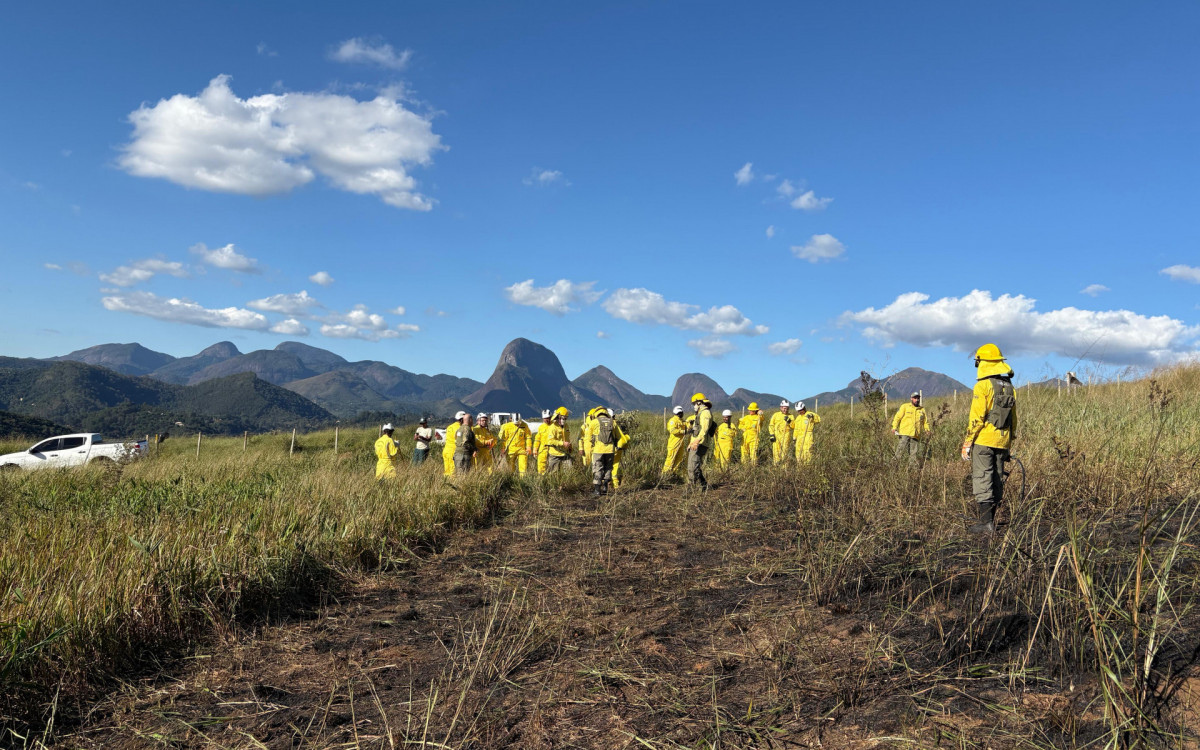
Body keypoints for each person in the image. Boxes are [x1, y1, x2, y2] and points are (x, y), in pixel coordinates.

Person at [962, 343, 1017, 534]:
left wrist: (968, 442)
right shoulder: (1009, 387)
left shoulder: (982, 385)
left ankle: (986, 524)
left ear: (982, 362)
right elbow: (1013, 419)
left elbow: (976, 418)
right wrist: (1009, 443)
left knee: (982, 477)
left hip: (984, 441)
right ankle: (991, 521)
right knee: (997, 478)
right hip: (1003, 441)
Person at [588, 406, 629, 496]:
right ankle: (605, 487)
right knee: (608, 468)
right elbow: (620, 437)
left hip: (598, 450)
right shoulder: (613, 422)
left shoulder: (593, 422)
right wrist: (618, 447)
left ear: (597, 413)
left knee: (598, 468)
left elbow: (588, 439)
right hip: (610, 450)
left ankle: (597, 490)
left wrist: (589, 451)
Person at [892, 392, 930, 467]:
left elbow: (925, 422)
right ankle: (893, 466)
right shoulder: (905, 406)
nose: (917, 400)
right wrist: (894, 427)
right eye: (915, 398)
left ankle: (911, 470)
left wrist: (927, 430)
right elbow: (897, 417)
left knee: (913, 453)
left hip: (915, 435)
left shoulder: (922, 410)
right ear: (911, 398)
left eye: (918, 398)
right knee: (900, 451)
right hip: (905, 433)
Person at [687, 393, 714, 488]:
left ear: (699, 402)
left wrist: (697, 441)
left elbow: (704, 429)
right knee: (695, 465)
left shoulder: (705, 413)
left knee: (692, 466)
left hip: (700, 444)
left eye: (694, 403)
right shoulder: (700, 413)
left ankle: (691, 488)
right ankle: (703, 484)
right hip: (696, 443)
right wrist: (691, 443)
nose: (693, 406)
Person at [544, 407, 573, 472]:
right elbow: (550, 441)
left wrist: (570, 447)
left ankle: (567, 482)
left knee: (569, 471)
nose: (564, 420)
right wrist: (562, 443)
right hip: (554, 454)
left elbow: (567, 438)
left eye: (566, 418)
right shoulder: (553, 427)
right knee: (552, 474)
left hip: (565, 453)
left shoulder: (566, 426)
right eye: (563, 418)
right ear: (558, 417)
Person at [662, 405, 688, 477]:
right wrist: (683, 431)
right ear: (676, 413)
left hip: (680, 443)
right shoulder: (673, 421)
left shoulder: (682, 421)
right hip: (673, 444)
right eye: (679, 412)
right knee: (671, 459)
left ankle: (673, 474)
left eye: (681, 412)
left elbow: (687, 425)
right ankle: (665, 475)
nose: (680, 414)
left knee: (679, 459)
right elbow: (672, 430)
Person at [768, 399, 793, 464]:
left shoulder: (791, 416)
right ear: (781, 408)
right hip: (776, 435)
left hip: (786, 434)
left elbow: (793, 426)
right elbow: (771, 425)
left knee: (785, 451)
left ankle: (784, 468)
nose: (786, 410)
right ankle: (776, 466)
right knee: (776, 451)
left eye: (787, 408)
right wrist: (771, 434)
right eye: (784, 408)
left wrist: (790, 421)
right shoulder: (775, 415)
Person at [610, 409, 628, 489]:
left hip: (612, 449)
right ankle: (616, 485)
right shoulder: (617, 423)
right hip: (619, 448)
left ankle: (608, 484)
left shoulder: (609, 424)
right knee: (615, 467)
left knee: (608, 467)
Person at [443, 412, 466, 477]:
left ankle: (445, 484)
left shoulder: (450, 426)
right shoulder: (460, 428)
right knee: (453, 471)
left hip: (446, 451)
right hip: (453, 452)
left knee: (447, 470)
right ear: (462, 419)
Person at [533, 409, 552, 473]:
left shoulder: (554, 425)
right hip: (543, 449)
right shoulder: (541, 427)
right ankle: (542, 479)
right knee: (541, 465)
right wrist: (535, 449)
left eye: (547, 418)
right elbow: (537, 439)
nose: (546, 420)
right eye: (544, 418)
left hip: (553, 449)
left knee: (552, 466)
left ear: (550, 417)